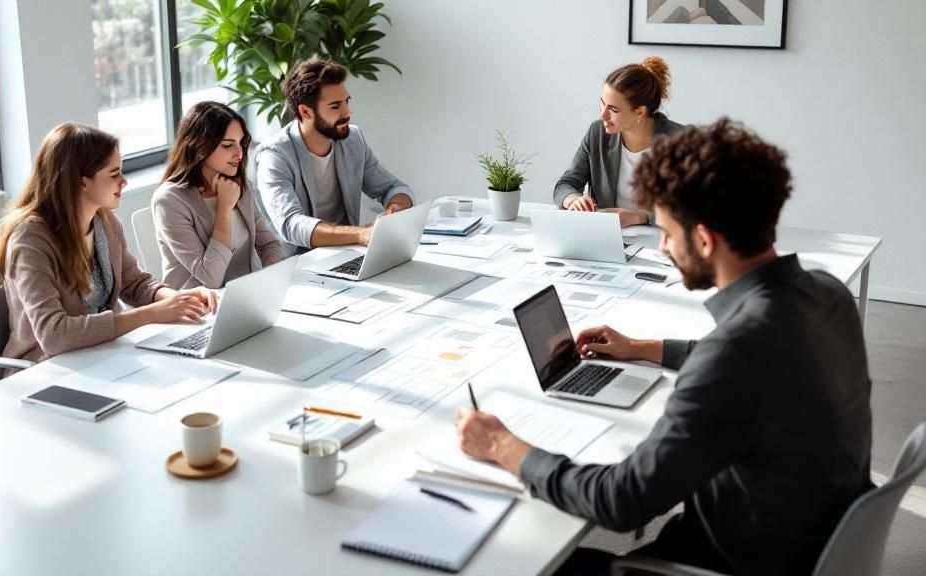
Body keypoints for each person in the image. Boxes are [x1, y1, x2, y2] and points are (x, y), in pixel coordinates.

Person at [456, 119, 872, 575]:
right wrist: (642, 347)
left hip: (720, 566)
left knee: (516, 563)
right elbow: (754, 365)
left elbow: (621, 501)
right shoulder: (828, 294)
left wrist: (501, 444)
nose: (661, 248)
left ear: (705, 240)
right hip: (809, 544)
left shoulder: (734, 356)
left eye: (668, 233)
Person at [0, 123, 218, 365]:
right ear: (82, 182)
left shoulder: (104, 221)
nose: (124, 181)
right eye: (114, 174)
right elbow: (53, 335)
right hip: (47, 367)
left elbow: (134, 283)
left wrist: (180, 300)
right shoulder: (30, 240)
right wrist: (150, 314)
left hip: (104, 355)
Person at [255, 57, 414, 255]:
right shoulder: (274, 156)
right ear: (305, 112)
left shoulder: (353, 139)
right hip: (297, 262)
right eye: (335, 106)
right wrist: (360, 234)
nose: (347, 113)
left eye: (346, 102)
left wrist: (396, 208)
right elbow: (291, 224)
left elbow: (393, 187)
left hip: (347, 255)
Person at [152, 101, 284, 289]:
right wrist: (224, 209)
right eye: (228, 145)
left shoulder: (239, 184)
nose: (239, 153)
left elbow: (270, 245)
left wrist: (268, 282)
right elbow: (210, 278)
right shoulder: (169, 201)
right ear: (199, 147)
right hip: (199, 303)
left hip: (245, 295)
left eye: (241, 143)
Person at [553, 56, 684, 227]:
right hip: (607, 234)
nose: (603, 115)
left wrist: (641, 217)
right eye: (602, 103)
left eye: (613, 109)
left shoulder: (679, 140)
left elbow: (693, 206)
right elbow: (565, 185)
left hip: (661, 236)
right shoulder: (597, 133)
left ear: (640, 112)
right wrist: (574, 200)